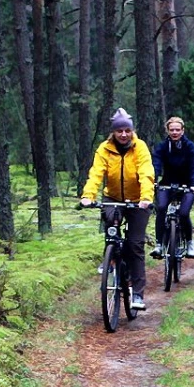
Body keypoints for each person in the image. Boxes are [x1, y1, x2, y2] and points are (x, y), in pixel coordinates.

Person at [81, 108, 155, 310]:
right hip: (113, 197)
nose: (123, 134)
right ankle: (111, 258)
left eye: (127, 131)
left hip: (139, 200)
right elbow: (96, 173)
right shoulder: (104, 149)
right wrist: (88, 196)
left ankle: (137, 294)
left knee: (135, 244)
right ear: (113, 132)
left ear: (132, 131)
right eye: (119, 131)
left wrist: (147, 197)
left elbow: (146, 172)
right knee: (111, 230)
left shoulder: (140, 147)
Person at [151, 116, 194, 261]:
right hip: (167, 183)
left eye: (177, 130)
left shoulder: (189, 146)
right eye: (172, 129)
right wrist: (153, 180)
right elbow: (156, 163)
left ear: (182, 130)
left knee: (184, 213)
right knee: (161, 208)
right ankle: (159, 244)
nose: (174, 132)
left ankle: (189, 243)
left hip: (187, 185)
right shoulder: (162, 146)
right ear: (167, 131)